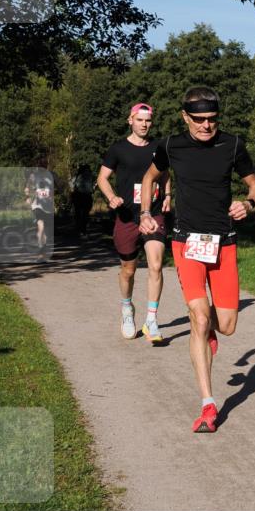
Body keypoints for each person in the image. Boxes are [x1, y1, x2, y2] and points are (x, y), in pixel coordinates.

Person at [140, 86, 255, 433]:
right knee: (198, 316)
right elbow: (151, 176)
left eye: (212, 120)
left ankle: (209, 333)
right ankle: (208, 404)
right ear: (185, 117)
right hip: (186, 242)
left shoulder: (233, 145)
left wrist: (249, 203)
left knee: (225, 325)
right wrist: (146, 212)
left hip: (223, 243)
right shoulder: (170, 146)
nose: (206, 126)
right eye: (199, 120)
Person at [97, 103, 169, 342]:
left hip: (154, 213)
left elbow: (165, 174)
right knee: (128, 270)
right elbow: (103, 178)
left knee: (156, 265)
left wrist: (168, 196)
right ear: (130, 120)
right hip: (127, 216)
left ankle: (151, 320)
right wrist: (111, 197)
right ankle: (127, 309)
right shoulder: (118, 149)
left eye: (148, 121)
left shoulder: (159, 147)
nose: (144, 125)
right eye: (140, 120)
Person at [25, 169, 54, 252]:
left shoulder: (49, 177)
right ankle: (41, 246)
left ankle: (42, 244)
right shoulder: (35, 176)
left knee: (45, 228)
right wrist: (28, 197)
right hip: (37, 206)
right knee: (41, 225)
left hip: (47, 207)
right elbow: (27, 187)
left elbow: (52, 191)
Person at [70, 164, 94, 235]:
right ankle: (83, 229)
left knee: (79, 213)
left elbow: (71, 184)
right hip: (86, 196)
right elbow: (91, 188)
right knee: (85, 213)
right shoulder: (90, 176)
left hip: (79, 196)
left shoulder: (77, 176)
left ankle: (79, 229)